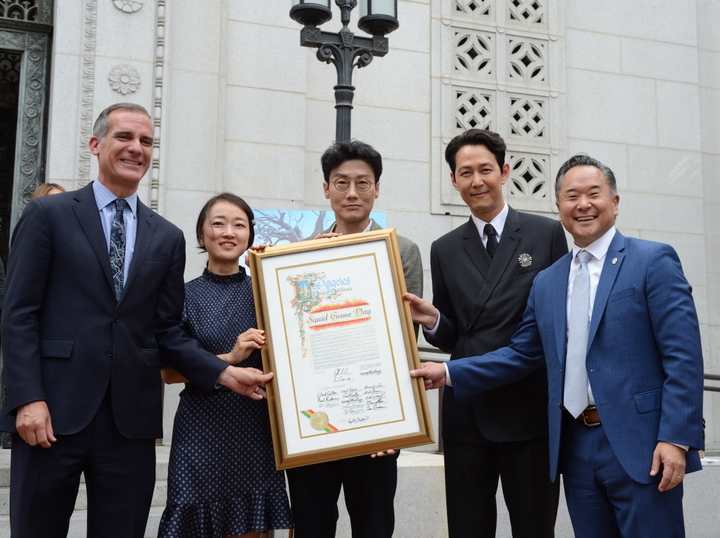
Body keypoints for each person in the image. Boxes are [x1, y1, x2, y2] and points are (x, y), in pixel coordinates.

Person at [0, 102, 273, 538]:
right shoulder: (48, 215)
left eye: (146, 141)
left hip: (129, 423)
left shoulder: (166, 236)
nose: (136, 148)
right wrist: (26, 398)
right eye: (124, 137)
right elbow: (18, 315)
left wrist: (222, 373)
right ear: (96, 144)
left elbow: (165, 330)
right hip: (52, 413)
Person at [408, 154, 705, 537]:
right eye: (571, 196)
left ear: (614, 202)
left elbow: (683, 356)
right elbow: (521, 353)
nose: (583, 205)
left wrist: (676, 438)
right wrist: (448, 372)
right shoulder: (549, 281)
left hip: (642, 444)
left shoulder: (652, 260)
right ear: (559, 209)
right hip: (575, 445)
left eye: (593, 194)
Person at [422, 129, 566, 537]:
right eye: (465, 172)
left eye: (485, 169)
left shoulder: (546, 234)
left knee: (534, 527)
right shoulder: (445, 247)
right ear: (453, 181)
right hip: (468, 411)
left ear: (504, 172)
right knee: (468, 528)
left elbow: (557, 325)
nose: (476, 180)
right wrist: (432, 319)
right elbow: (453, 335)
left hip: (529, 408)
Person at [285, 140, 423, 538]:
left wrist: (393, 427)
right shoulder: (299, 257)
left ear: (377, 188)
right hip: (315, 423)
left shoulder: (402, 250)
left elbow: (403, 341)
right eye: (341, 182)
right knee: (312, 525)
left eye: (363, 183)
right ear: (326, 188)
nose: (351, 193)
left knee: (374, 525)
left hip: (374, 423)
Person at [158, 193, 293, 537]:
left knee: (249, 527)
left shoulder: (268, 294)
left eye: (239, 224)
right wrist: (229, 359)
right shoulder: (182, 295)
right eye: (218, 223)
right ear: (202, 236)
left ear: (250, 235)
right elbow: (169, 374)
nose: (228, 232)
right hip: (199, 430)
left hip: (255, 427)